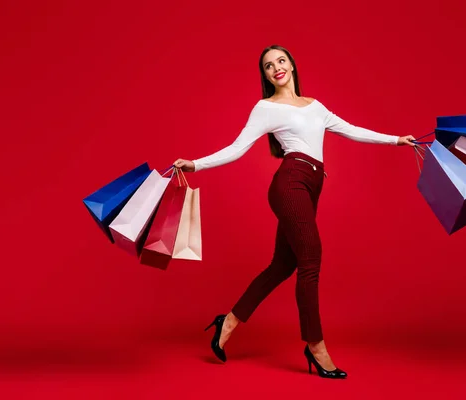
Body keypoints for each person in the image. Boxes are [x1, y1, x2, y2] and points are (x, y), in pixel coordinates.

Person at [173, 44, 415, 379]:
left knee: (282, 265)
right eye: (268, 66)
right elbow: (237, 148)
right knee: (311, 258)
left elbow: (352, 129)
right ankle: (316, 346)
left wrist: (396, 140)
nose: (276, 68)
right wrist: (196, 164)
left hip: (311, 186)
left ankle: (227, 322)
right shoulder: (265, 108)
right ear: (266, 76)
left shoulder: (315, 107)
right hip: (291, 182)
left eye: (281, 61)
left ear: (292, 65)